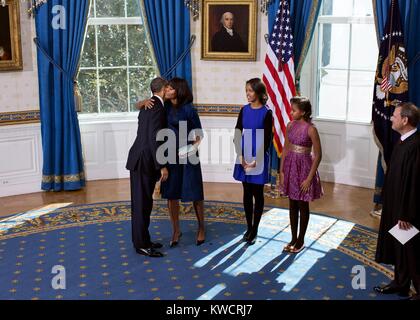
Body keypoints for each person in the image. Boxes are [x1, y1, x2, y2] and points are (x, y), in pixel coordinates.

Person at [138, 78, 206, 247]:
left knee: (195, 193)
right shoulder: (164, 106)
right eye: (167, 87)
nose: (168, 89)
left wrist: (188, 150)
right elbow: (139, 106)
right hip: (169, 155)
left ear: (179, 90)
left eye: (171, 88)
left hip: (188, 156)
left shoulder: (190, 110)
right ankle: (176, 230)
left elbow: (199, 136)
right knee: (171, 194)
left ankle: (201, 228)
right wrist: (143, 101)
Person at [374, 102, 420, 301]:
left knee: (412, 252)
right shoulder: (403, 141)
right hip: (395, 204)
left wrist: (406, 214)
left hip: (406, 210)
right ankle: (401, 284)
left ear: (405, 120)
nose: (391, 118)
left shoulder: (416, 145)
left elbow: (415, 184)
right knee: (399, 248)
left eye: (395, 115)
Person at [126, 77, 169, 258]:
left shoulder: (147, 105)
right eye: (168, 88)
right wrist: (162, 166)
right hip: (144, 161)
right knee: (142, 204)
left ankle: (144, 239)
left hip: (140, 159)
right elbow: (154, 139)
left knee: (144, 203)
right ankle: (141, 245)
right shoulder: (157, 108)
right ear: (164, 89)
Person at [280, 97, 323, 254]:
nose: (291, 112)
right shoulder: (290, 125)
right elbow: (285, 149)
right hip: (291, 166)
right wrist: (282, 171)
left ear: (303, 112)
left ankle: (301, 240)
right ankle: (293, 238)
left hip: (304, 169)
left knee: (302, 204)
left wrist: (309, 178)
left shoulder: (311, 129)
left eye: (294, 110)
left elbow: (318, 155)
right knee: (292, 204)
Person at [233, 78, 273, 245]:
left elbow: (267, 138)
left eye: (250, 90)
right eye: (246, 90)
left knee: (258, 193)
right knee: (246, 192)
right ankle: (248, 227)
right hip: (243, 154)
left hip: (258, 157)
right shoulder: (244, 110)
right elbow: (237, 131)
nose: (247, 94)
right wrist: (240, 155)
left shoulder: (266, 112)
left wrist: (257, 160)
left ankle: (255, 229)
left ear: (258, 92)